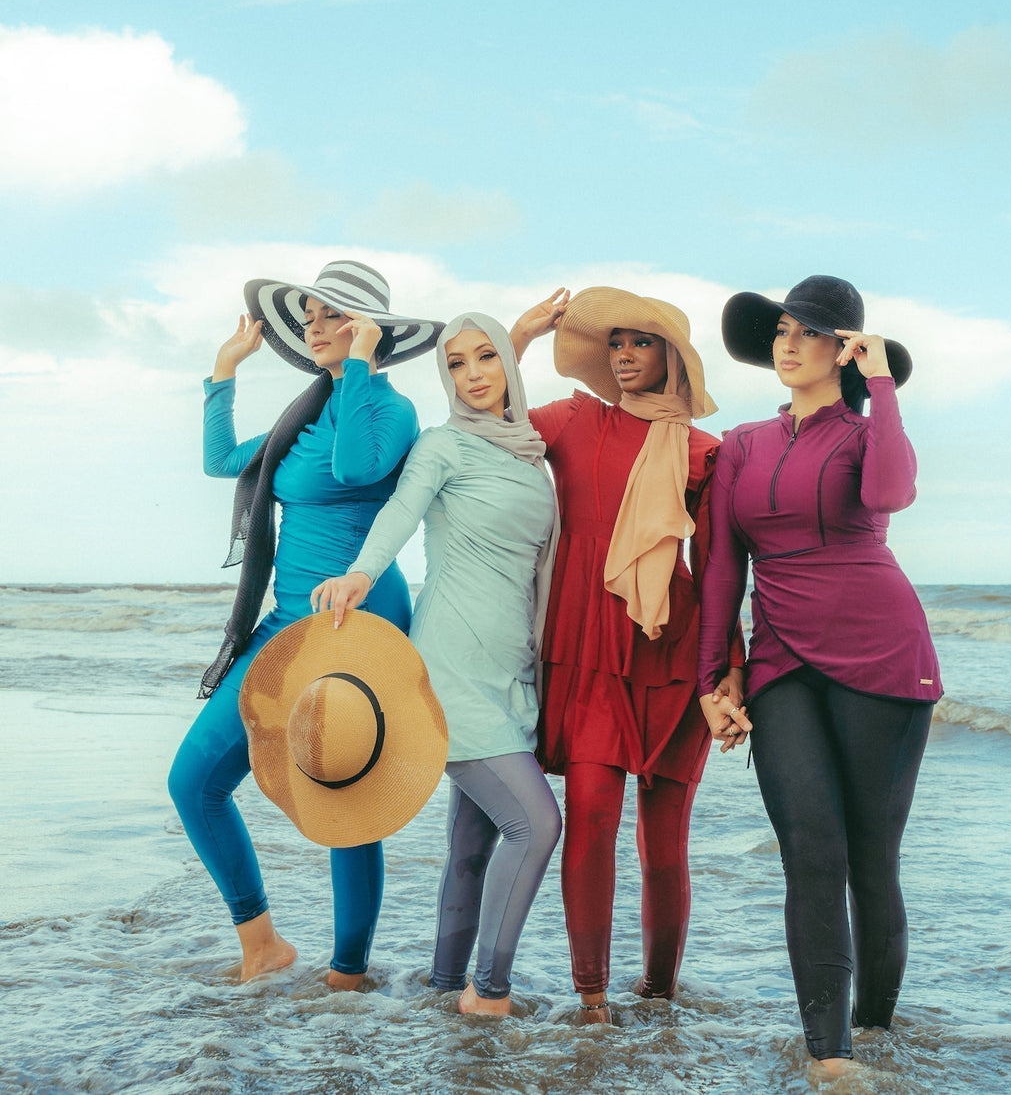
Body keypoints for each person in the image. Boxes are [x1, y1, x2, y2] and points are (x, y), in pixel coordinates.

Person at [168, 260, 443, 986]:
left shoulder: (389, 409)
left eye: (335, 316)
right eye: (311, 317)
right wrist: (222, 374)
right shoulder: (305, 413)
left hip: (358, 619)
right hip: (285, 624)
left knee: (348, 795)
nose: (317, 328)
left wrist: (358, 367)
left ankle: (348, 969)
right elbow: (223, 460)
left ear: (372, 330)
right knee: (193, 781)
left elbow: (356, 471)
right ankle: (262, 942)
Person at [697, 275, 941, 1078]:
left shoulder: (869, 435)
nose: (788, 344)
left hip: (881, 649)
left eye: (808, 332)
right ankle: (829, 1056)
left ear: (845, 349)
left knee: (873, 856)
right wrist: (714, 679)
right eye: (780, 332)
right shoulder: (742, 446)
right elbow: (723, 568)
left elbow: (892, 492)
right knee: (810, 847)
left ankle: (876, 1035)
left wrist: (881, 387)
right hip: (781, 658)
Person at [313, 314, 562, 1016]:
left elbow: (505, 388)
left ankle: (446, 990)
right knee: (536, 825)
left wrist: (521, 337)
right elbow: (400, 509)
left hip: (511, 670)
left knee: (473, 843)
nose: (473, 374)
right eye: (455, 364)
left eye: (486, 358)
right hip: (449, 668)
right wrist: (360, 574)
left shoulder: (525, 451)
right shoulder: (443, 445)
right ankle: (489, 994)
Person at [510, 286, 746, 1023]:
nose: (624, 354)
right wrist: (516, 338)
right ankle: (591, 998)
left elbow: (717, 571)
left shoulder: (707, 452)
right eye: (615, 343)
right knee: (589, 819)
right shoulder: (575, 421)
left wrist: (727, 676)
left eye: (640, 342)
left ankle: (660, 992)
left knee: (665, 838)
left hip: (670, 651)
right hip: (583, 646)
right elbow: (492, 419)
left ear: (670, 356)